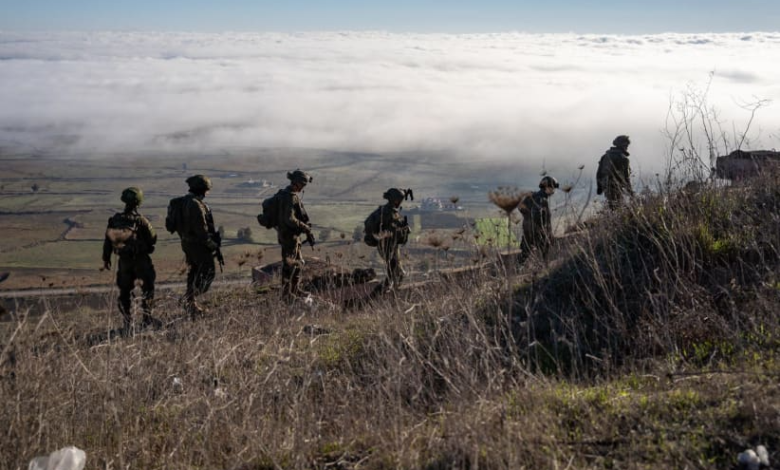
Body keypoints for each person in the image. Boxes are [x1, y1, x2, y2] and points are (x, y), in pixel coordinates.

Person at [102, 187, 161, 333]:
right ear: (138, 202)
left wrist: (106, 258)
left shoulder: (115, 219)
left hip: (124, 262)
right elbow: (153, 239)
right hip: (141, 261)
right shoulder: (141, 220)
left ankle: (127, 322)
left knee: (124, 292)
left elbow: (107, 240)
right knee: (148, 289)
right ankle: (147, 319)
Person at [178, 175, 222, 317]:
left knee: (194, 272)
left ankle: (191, 304)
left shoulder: (184, 201)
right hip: (198, 245)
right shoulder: (196, 205)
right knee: (208, 272)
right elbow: (201, 230)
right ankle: (188, 298)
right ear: (203, 190)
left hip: (188, 243)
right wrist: (212, 245)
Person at [277, 169, 314, 302]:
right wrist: (305, 228)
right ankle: (286, 294)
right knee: (289, 266)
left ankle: (294, 289)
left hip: (292, 237)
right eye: (302, 185)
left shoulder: (289, 194)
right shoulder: (289, 197)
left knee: (298, 263)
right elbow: (289, 219)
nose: (303, 188)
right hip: (288, 237)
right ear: (296, 183)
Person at [372, 188, 411, 293]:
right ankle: (389, 286)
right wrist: (401, 228)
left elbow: (398, 233)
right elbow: (388, 229)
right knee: (393, 266)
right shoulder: (386, 212)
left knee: (398, 269)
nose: (399, 202)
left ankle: (393, 287)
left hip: (393, 245)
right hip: (386, 244)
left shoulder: (393, 212)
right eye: (398, 200)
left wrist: (404, 228)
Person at [518, 176, 558, 262]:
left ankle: (515, 271)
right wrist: (544, 233)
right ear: (547, 187)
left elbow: (521, 208)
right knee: (545, 256)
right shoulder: (542, 200)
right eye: (553, 188)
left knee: (524, 255)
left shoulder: (532, 196)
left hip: (527, 231)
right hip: (538, 233)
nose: (554, 190)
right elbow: (537, 216)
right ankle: (545, 271)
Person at [596, 135, 634, 210]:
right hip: (617, 187)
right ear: (623, 145)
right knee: (618, 208)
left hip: (606, 186)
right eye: (626, 145)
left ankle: (612, 220)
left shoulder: (605, 156)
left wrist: (599, 187)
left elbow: (599, 173)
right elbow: (626, 177)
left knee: (613, 207)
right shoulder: (624, 158)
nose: (627, 147)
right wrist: (630, 192)